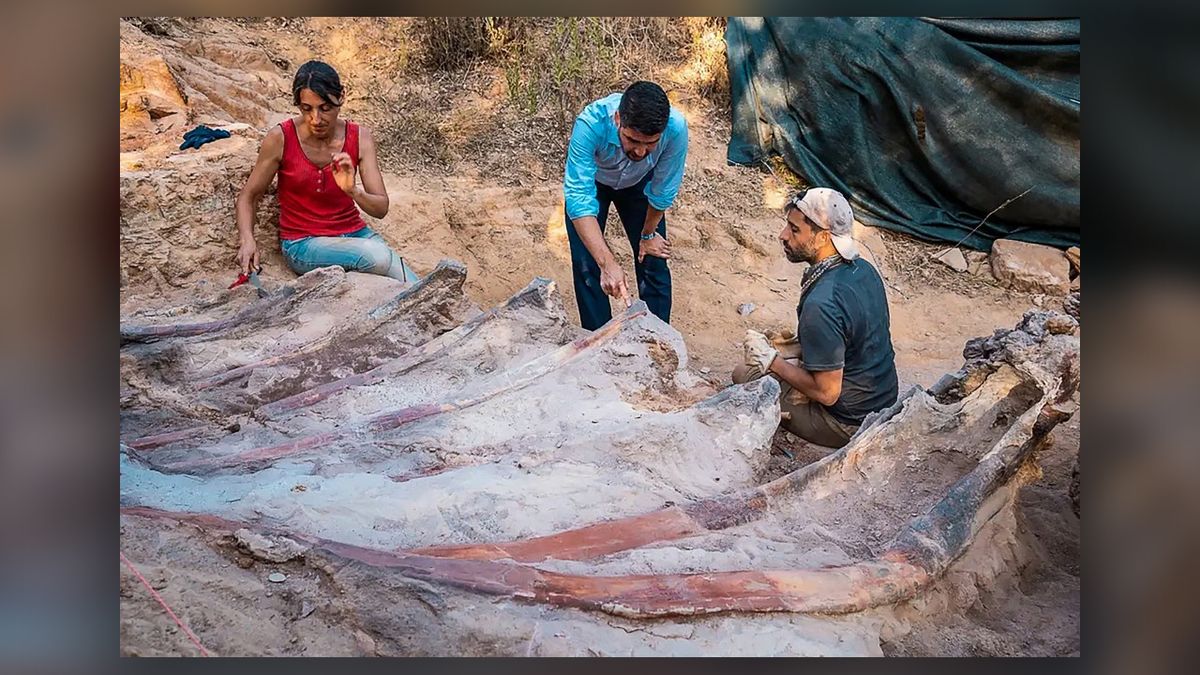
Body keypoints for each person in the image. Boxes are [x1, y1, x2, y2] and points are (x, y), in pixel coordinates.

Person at [735, 188, 899, 448]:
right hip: (883, 398)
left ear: (823, 237)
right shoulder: (864, 269)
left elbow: (828, 393)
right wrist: (790, 347)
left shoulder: (821, 304)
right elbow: (851, 335)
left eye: (794, 229)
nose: (783, 235)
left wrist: (772, 361)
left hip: (848, 422)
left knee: (745, 374)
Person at [235, 60, 418, 283]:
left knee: (418, 287)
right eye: (306, 109)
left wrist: (352, 191)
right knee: (379, 257)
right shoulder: (281, 138)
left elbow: (380, 208)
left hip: (356, 235)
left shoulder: (360, 137)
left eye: (325, 108)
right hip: (303, 243)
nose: (316, 119)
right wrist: (247, 239)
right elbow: (249, 195)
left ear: (341, 97)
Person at [562, 81, 688, 330]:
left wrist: (649, 234)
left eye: (650, 143)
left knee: (653, 258)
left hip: (641, 184)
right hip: (596, 184)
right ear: (618, 119)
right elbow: (579, 198)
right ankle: (597, 340)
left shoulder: (676, 128)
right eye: (632, 140)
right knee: (589, 263)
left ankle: (658, 341)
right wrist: (607, 263)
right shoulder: (590, 124)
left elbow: (663, 190)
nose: (640, 151)